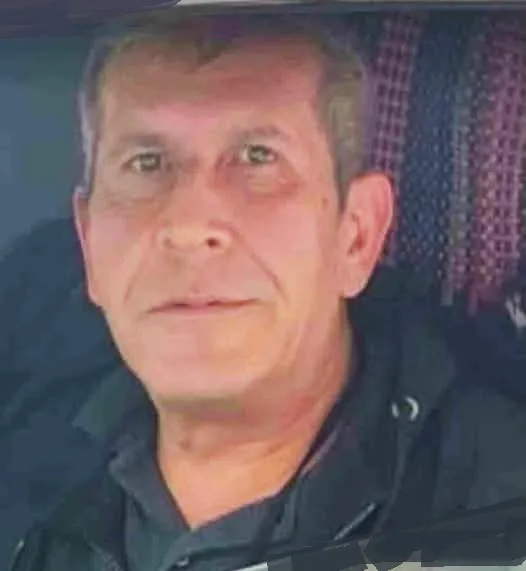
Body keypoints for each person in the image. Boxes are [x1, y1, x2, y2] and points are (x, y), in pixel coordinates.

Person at [4, 10, 526, 571]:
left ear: (356, 236)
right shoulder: (28, 435)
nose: (189, 225)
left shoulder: (495, 512)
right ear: (88, 245)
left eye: (257, 157)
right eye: (147, 163)